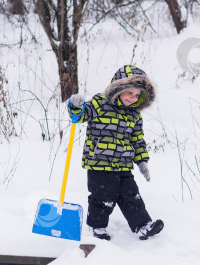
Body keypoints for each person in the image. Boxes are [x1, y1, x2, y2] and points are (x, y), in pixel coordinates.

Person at [67, 65, 164, 241]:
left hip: (124, 164)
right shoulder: (99, 103)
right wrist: (76, 106)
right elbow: (81, 116)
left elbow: (137, 140)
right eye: (129, 93)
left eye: (137, 95)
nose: (133, 98)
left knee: (131, 195)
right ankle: (97, 227)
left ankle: (142, 225)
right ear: (118, 88)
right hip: (100, 163)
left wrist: (142, 162)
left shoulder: (134, 115)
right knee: (103, 197)